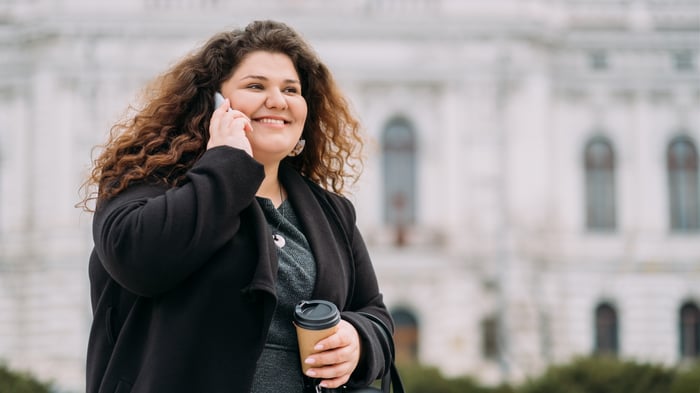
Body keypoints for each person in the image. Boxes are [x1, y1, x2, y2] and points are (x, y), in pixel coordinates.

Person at [80, 19, 394, 393]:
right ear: (213, 102)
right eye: (255, 86)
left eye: (291, 89)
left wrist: (358, 341)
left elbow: (375, 314)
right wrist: (227, 162)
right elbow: (137, 260)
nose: (277, 100)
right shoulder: (146, 182)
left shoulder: (330, 212)